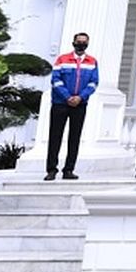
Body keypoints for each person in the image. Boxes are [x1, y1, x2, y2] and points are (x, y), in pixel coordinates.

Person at [45, 32, 98, 181]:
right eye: (78, 42)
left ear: (87, 44)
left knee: (74, 138)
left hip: (80, 105)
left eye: (84, 42)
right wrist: (67, 97)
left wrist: (80, 97)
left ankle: (69, 169)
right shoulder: (62, 59)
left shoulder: (92, 61)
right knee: (55, 136)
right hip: (60, 103)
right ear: (73, 43)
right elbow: (55, 80)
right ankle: (51, 169)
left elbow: (93, 83)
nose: (81, 44)